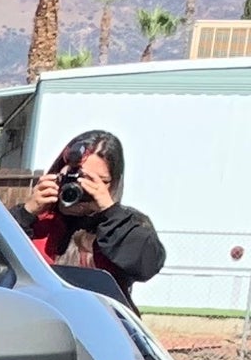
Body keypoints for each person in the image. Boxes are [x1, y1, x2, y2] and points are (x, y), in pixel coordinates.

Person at [25, 127, 164, 301]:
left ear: (114, 184)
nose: (84, 188)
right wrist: (25, 213)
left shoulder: (123, 225)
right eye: (76, 177)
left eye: (98, 181)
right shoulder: (36, 222)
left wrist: (109, 212)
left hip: (99, 316)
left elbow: (147, 266)